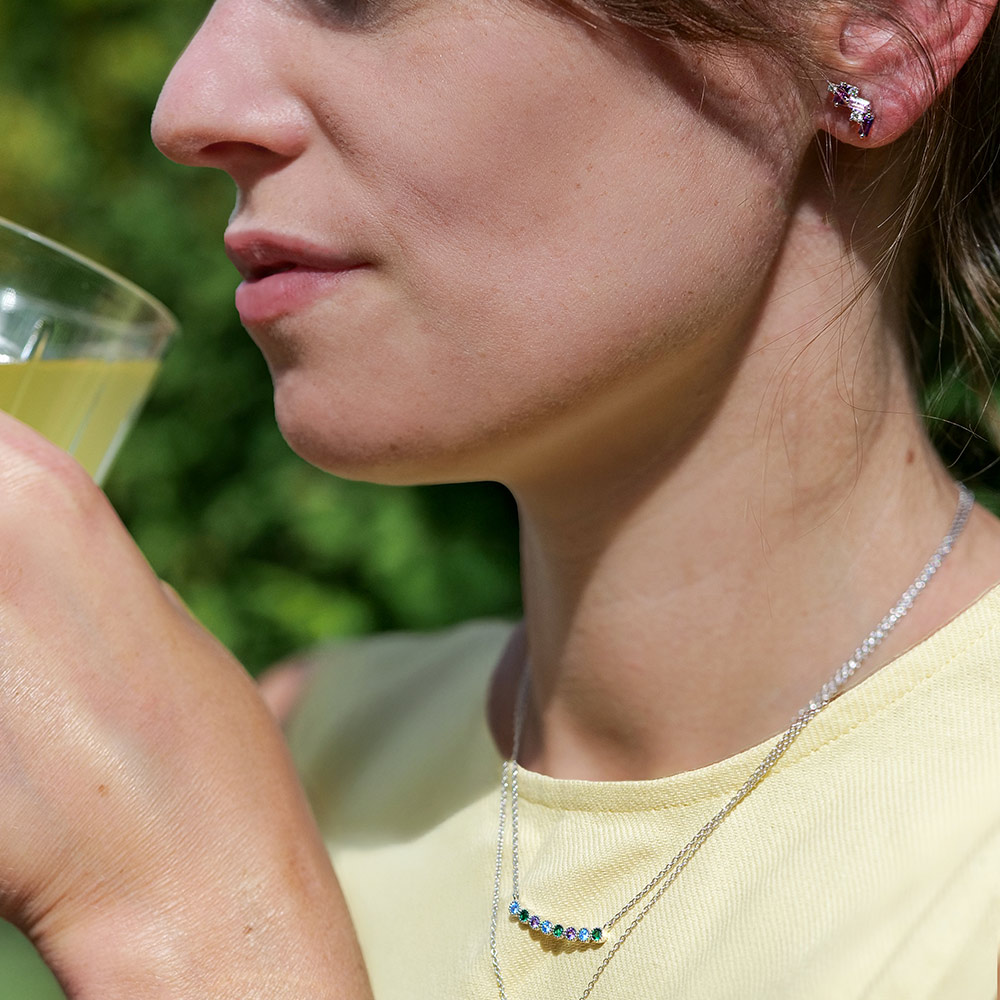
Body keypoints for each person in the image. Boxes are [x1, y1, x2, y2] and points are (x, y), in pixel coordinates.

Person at [1, 0, 999, 996]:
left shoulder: (199, 828)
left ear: (875, 21)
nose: (188, 106)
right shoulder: (307, 747)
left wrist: (188, 927)